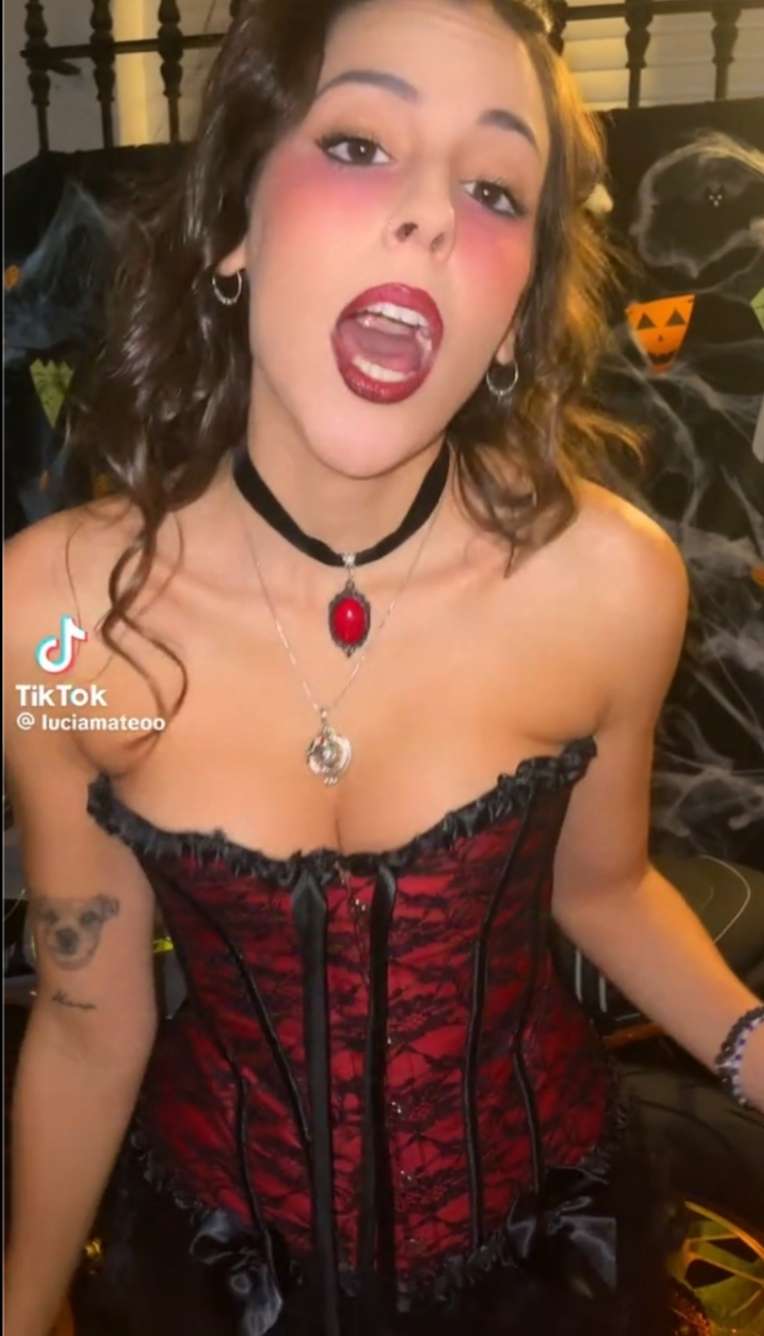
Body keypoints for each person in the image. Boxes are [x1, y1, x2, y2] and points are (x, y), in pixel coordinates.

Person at [4, 1, 763, 1333]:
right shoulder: (51, 618)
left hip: (548, 1263)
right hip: (212, 1276)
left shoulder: (610, 584)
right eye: (359, 145)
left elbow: (605, 889)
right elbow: (84, 1010)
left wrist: (755, 1051)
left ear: (516, 312)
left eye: (493, 188)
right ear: (235, 225)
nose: (427, 217)